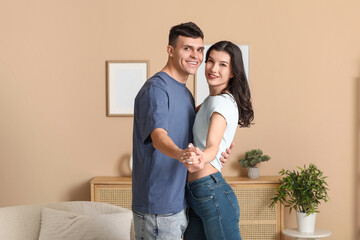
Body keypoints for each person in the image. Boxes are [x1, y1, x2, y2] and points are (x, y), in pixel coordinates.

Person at [131, 23, 233, 240]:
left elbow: (203, 126)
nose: (195, 55)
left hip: (181, 201)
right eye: (187, 48)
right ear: (170, 50)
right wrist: (181, 154)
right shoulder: (156, 89)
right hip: (158, 208)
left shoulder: (186, 94)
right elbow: (158, 137)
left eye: (199, 50)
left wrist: (221, 147)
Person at [182, 41, 254, 240]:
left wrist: (201, 157)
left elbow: (212, 147)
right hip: (199, 193)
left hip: (211, 191)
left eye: (223, 64)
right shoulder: (210, 101)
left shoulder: (221, 103)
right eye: (210, 61)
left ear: (232, 72)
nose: (214, 69)